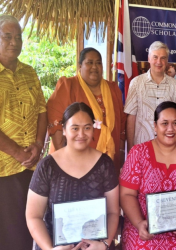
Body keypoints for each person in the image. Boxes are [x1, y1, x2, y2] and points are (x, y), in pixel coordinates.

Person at [26, 102, 120, 250]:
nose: (81, 134)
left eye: (87, 128)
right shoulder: (47, 166)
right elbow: (33, 216)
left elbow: (113, 212)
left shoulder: (105, 164)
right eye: (75, 128)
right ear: (64, 130)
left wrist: (104, 244)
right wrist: (50, 249)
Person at [119, 101, 176, 249]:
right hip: (146, 226)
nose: (170, 129)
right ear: (155, 126)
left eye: (175, 123)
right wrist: (139, 224)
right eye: (164, 123)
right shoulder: (138, 153)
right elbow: (126, 195)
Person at [0, 14, 47, 250]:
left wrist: (39, 144)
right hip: (4, 171)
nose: (14, 42)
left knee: (32, 228)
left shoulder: (29, 72)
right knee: (9, 236)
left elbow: (41, 110)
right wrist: (17, 152)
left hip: (32, 166)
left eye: (18, 37)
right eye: (7, 36)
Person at [47, 47, 126, 172]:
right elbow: (55, 122)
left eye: (98, 63)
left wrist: (120, 153)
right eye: (89, 62)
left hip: (109, 161)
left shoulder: (113, 89)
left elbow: (121, 125)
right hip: (73, 163)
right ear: (80, 66)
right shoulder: (68, 86)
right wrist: (64, 158)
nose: (94, 67)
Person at [124, 41, 176, 150]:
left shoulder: (175, 85)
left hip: (168, 149)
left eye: (163, 58)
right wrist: (130, 150)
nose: (159, 62)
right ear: (149, 59)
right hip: (141, 147)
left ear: (167, 61)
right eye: (155, 57)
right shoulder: (136, 83)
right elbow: (131, 118)